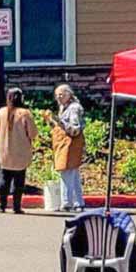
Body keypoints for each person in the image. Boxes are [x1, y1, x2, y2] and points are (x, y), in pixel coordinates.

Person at [0, 87, 36, 215]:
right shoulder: (25, 113)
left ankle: (2, 205)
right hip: (21, 153)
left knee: (5, 179)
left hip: (5, 152)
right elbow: (33, 133)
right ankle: (16, 207)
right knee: (19, 182)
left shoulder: (1, 112)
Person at [50, 85, 86, 213]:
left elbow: (75, 129)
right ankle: (78, 203)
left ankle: (66, 203)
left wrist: (60, 122)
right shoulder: (63, 107)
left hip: (70, 145)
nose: (59, 97)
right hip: (66, 145)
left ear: (69, 94)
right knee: (73, 174)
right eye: (57, 95)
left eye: (61, 94)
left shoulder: (73, 109)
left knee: (66, 173)